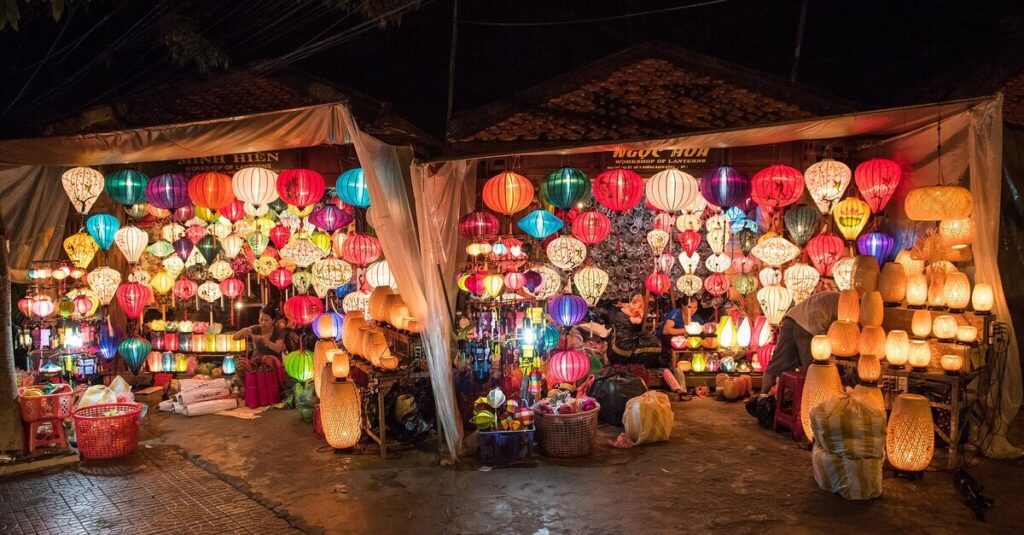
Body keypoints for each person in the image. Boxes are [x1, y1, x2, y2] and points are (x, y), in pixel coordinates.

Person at [761, 290, 840, 393]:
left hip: (791, 319)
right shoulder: (848, 305)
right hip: (809, 327)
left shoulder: (833, 295)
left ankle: (762, 398)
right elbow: (839, 333)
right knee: (814, 369)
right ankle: (806, 402)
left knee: (778, 363)